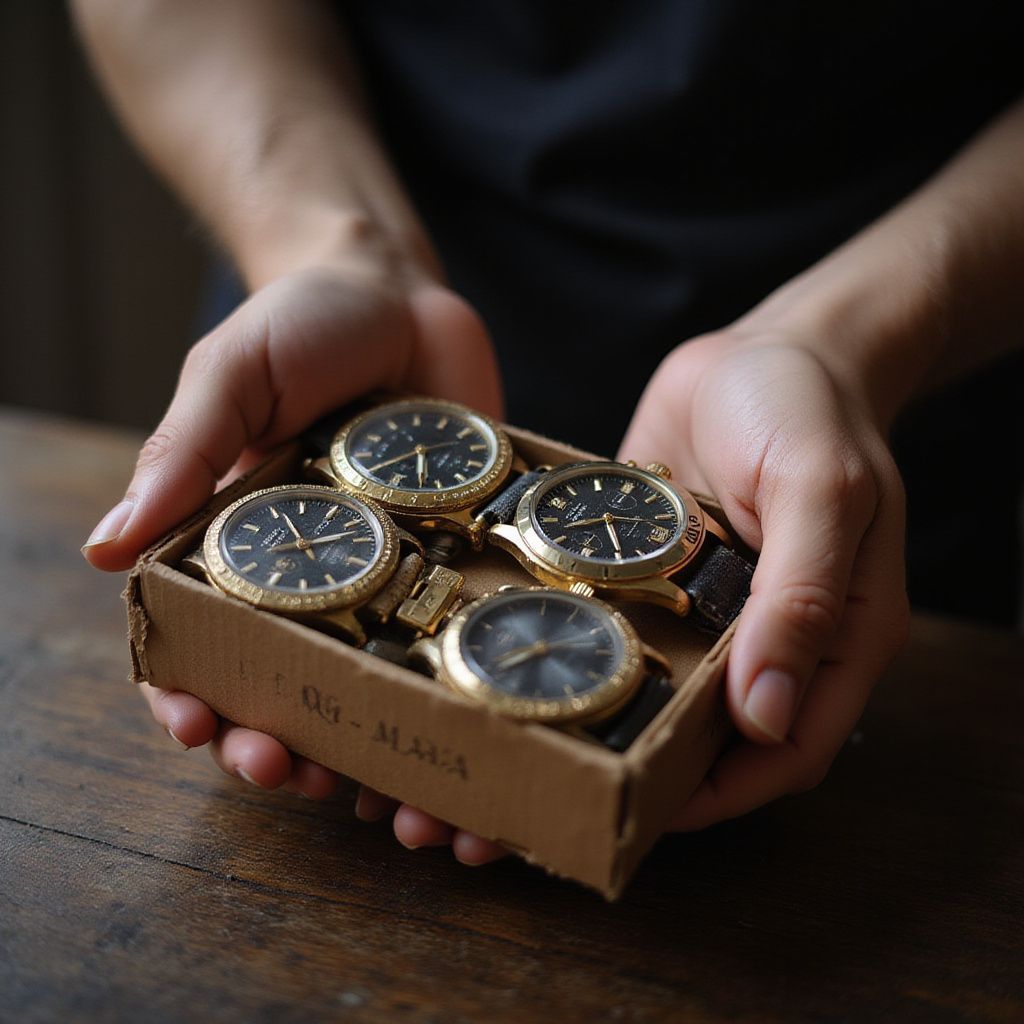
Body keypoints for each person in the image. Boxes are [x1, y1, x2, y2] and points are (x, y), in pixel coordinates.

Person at [75, 1, 1024, 864]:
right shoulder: (449, 524)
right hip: (348, 340)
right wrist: (330, 243)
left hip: (860, 449)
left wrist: (854, 341)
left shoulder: (547, 548)